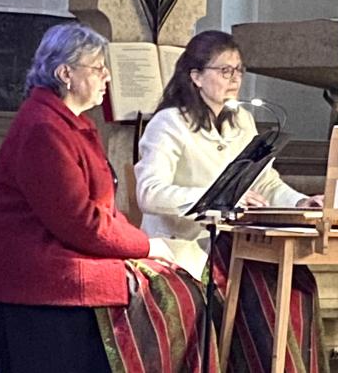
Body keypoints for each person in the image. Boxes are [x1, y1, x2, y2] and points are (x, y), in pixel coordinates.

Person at [0, 23, 215, 373]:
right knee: (164, 291)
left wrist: (145, 246)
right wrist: (146, 246)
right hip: (32, 274)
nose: (107, 78)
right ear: (64, 73)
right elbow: (79, 221)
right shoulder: (43, 129)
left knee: (176, 287)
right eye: (98, 68)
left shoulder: (72, 124)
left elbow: (103, 210)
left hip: (56, 258)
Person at [134, 30, 327, 373]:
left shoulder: (241, 120)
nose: (234, 79)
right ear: (195, 76)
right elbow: (149, 191)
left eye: (238, 70)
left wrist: (300, 202)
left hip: (236, 242)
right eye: (225, 71)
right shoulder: (169, 123)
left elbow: (265, 180)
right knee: (259, 290)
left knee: (297, 282)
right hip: (190, 244)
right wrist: (216, 201)